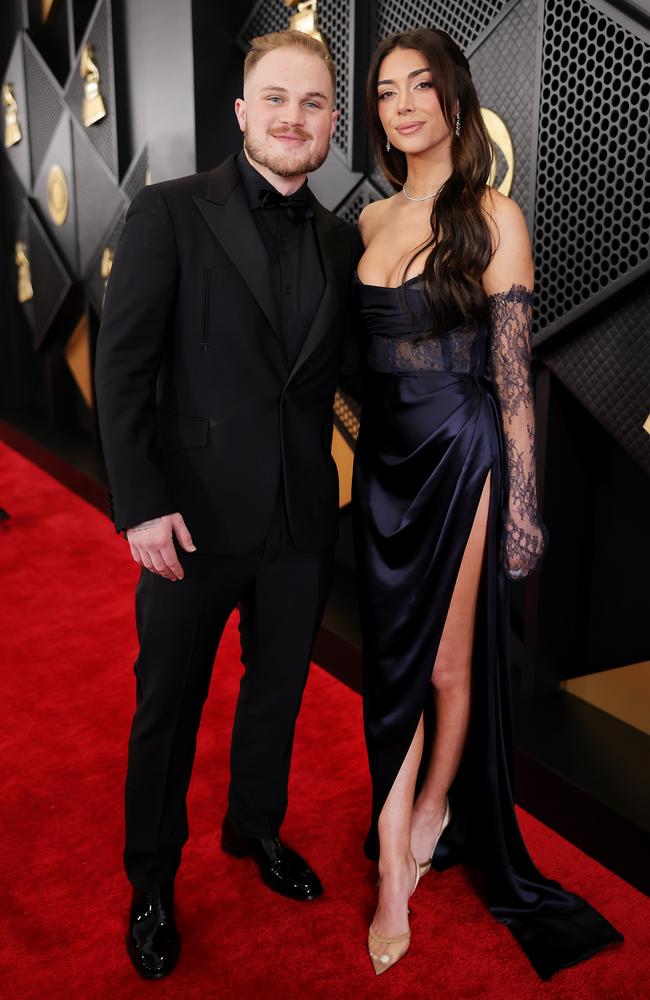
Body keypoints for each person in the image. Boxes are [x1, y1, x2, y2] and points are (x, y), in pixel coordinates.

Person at [351, 27, 623, 978]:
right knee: (390, 667)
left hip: (462, 456)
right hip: (381, 466)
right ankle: (400, 845)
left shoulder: (495, 215)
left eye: (421, 87)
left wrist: (525, 503)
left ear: (455, 103)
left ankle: (420, 825)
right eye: (387, 93)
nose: (404, 106)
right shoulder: (369, 222)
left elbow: (512, 380)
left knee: (446, 666)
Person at [95, 30, 361, 980]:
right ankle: (153, 882)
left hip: (300, 518)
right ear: (243, 113)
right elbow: (124, 368)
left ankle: (255, 830)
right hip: (189, 519)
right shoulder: (169, 212)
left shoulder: (341, 236)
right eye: (277, 101)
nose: (296, 118)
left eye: (315, 103)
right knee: (166, 705)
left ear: (334, 121)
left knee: (278, 694)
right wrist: (139, 506)